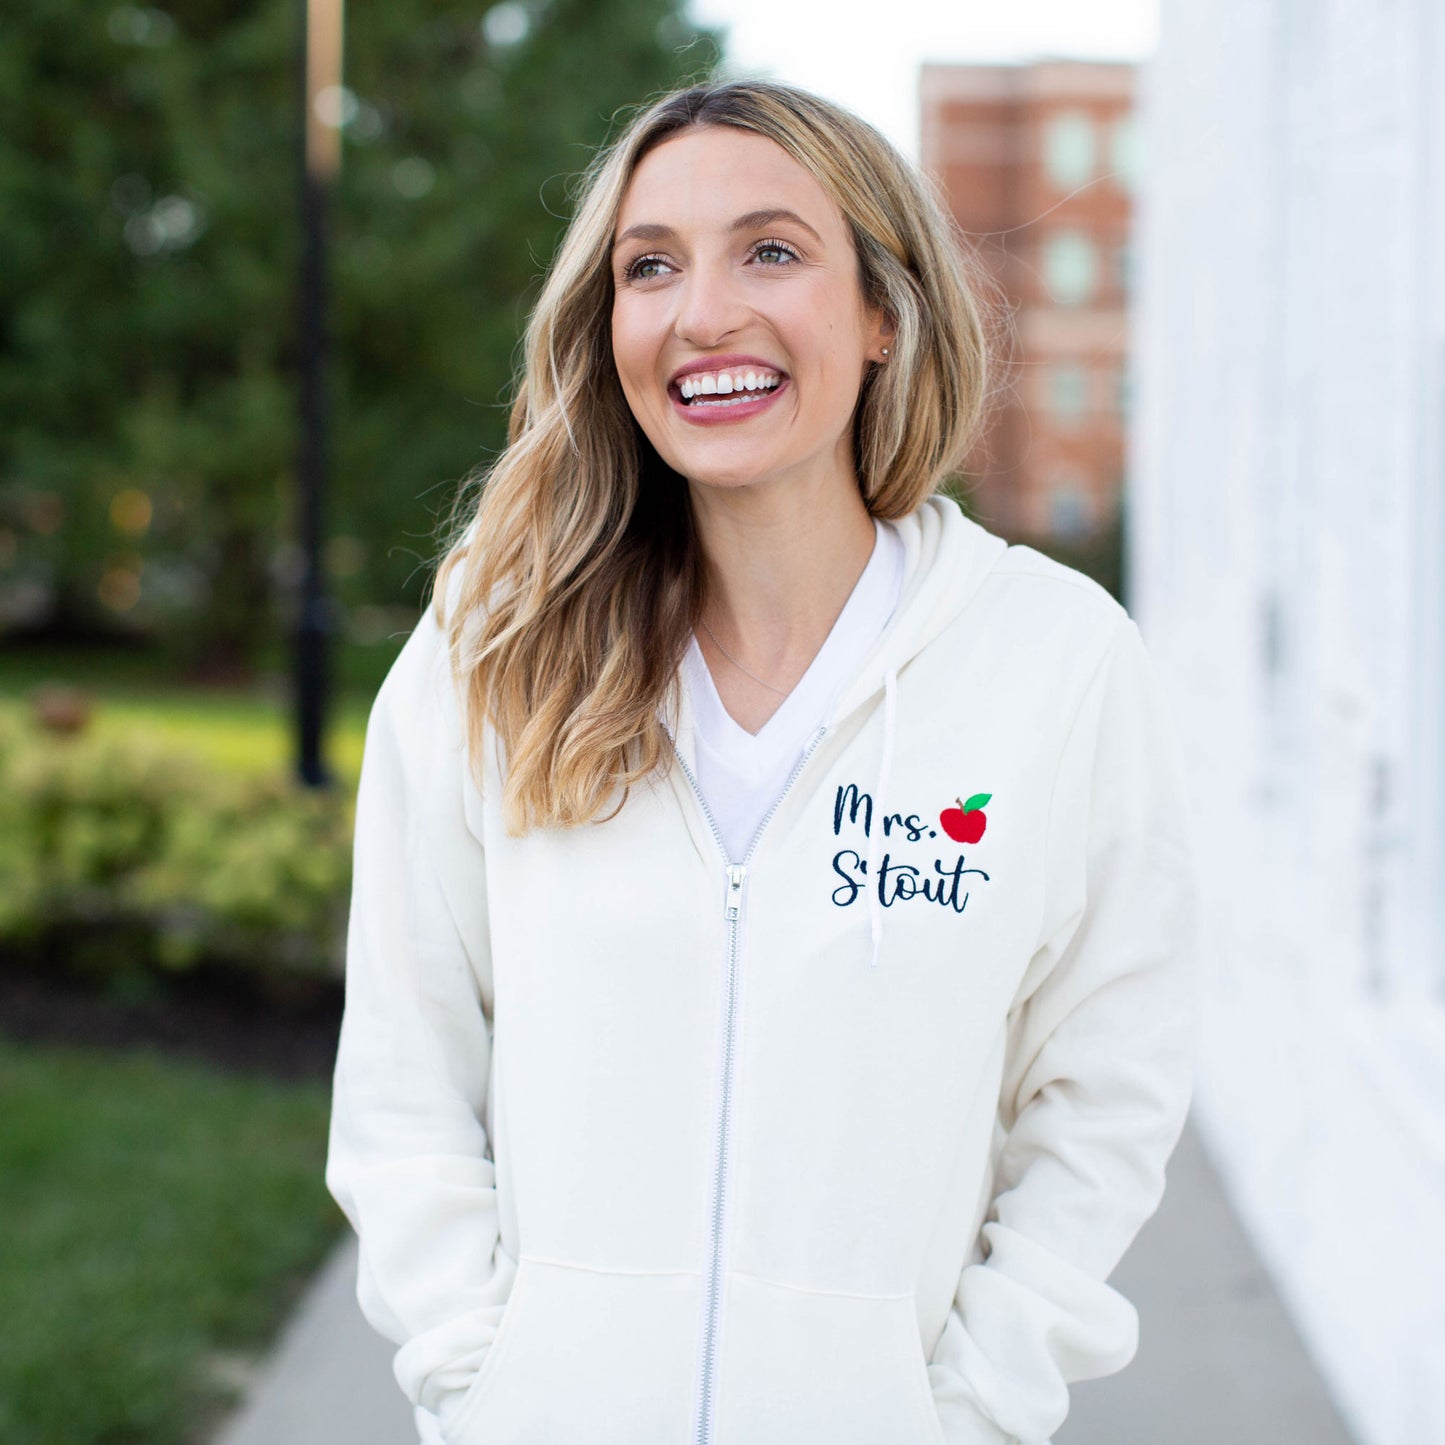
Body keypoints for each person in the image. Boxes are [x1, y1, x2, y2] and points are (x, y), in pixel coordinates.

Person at [326, 78, 1201, 1445]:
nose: (701, 313)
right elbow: (403, 1073)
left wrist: (969, 1407)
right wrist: (473, 1377)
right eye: (648, 266)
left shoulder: (1052, 661)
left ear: (879, 314)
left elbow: (1106, 1084)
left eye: (771, 251)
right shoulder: (486, 656)